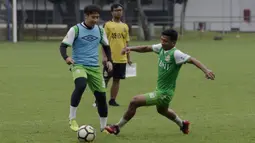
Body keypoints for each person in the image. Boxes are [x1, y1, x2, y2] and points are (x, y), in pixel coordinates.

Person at [104, 29, 215, 135]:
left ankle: (117, 127)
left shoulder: (176, 54)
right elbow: (146, 48)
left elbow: (192, 59)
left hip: (164, 93)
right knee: (162, 110)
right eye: (161, 39)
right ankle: (183, 124)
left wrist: (206, 70)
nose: (162, 42)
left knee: (135, 101)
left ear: (173, 42)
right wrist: (130, 48)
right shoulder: (161, 48)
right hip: (160, 90)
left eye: (165, 41)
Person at [59, 4, 113, 133]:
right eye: (93, 17)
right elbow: (63, 46)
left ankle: (103, 126)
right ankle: (72, 119)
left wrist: (109, 60)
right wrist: (66, 57)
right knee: (81, 85)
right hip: (79, 65)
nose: (95, 20)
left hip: (94, 67)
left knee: (101, 97)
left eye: (97, 17)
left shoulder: (100, 30)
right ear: (86, 15)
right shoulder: (75, 29)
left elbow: (106, 46)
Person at [102, 3, 131, 106]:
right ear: (112, 12)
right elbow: (103, 42)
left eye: (120, 10)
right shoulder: (107, 25)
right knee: (105, 80)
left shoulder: (125, 26)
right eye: (116, 10)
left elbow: (126, 43)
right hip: (110, 58)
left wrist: (128, 57)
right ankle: (98, 100)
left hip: (121, 58)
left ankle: (112, 100)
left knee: (117, 80)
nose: (119, 12)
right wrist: (105, 56)